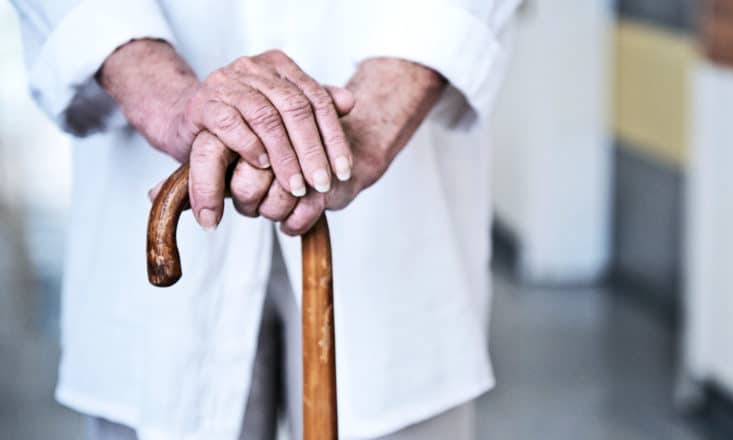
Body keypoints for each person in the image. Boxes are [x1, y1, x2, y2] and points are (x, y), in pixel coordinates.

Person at [11, 0, 522, 439]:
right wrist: (153, 84)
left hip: (404, 213)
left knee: (392, 395)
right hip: (134, 197)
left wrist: (386, 99)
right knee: (166, 392)